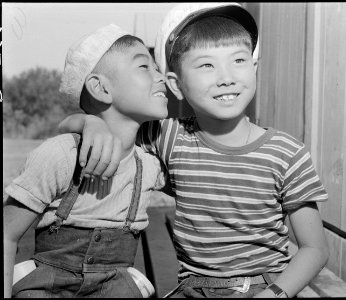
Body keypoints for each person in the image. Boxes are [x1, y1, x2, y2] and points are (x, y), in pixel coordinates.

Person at [58, 3, 330, 298]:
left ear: (254, 68)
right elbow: (66, 128)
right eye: (206, 65)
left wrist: (275, 293)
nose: (226, 77)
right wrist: (91, 123)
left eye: (238, 60)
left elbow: (314, 249)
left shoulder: (287, 153)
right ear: (175, 85)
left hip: (266, 285)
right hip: (193, 288)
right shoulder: (170, 136)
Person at [3, 24, 168, 298]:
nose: (160, 76)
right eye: (144, 66)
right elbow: (7, 233)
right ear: (100, 88)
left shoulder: (149, 166)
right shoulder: (62, 156)